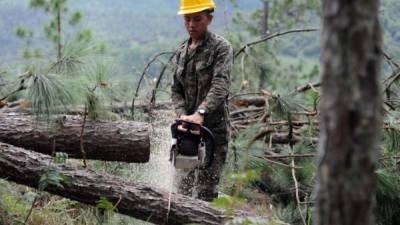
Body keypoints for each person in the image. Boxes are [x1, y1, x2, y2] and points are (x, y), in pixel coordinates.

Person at [171, 0, 233, 201]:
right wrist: (182, 116)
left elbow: (220, 85)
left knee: (206, 191)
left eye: (197, 19)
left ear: (209, 19)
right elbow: (175, 89)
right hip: (187, 131)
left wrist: (201, 113)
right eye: (187, 19)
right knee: (182, 190)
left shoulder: (221, 48)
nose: (191, 25)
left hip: (213, 130)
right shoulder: (182, 52)